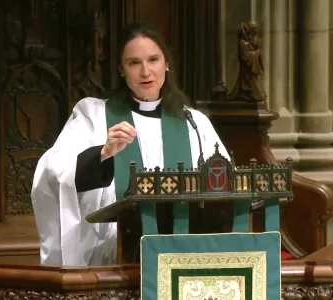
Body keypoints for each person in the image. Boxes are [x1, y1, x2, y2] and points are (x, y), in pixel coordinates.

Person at [31, 22, 230, 267]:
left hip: (184, 254)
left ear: (166, 64)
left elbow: (223, 186)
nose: (145, 72)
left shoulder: (194, 123)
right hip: (115, 255)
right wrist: (102, 154)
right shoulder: (93, 116)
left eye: (153, 60)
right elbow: (51, 172)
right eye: (134, 63)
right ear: (122, 70)